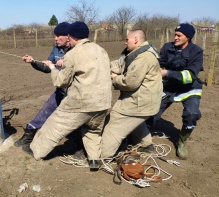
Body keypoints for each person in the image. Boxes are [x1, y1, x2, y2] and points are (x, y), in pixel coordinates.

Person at [22, 21, 112, 171]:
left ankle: (35, 150)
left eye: (67, 35)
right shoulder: (100, 50)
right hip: (103, 103)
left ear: (72, 36)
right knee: (93, 132)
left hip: (81, 102)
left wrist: (52, 67)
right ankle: (94, 160)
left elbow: (61, 82)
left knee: (54, 125)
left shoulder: (73, 54)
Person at [15, 22, 85, 158]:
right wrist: (33, 62)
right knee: (45, 111)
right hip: (61, 91)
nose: (56, 38)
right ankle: (29, 135)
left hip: (75, 94)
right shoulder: (56, 49)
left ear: (68, 37)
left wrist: (66, 63)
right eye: (55, 36)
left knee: (75, 120)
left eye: (59, 36)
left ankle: (80, 146)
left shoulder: (78, 50)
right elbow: (48, 67)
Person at [100, 29, 163, 159]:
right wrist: (99, 65)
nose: (124, 42)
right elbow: (121, 65)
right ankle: (145, 145)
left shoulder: (143, 58)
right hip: (146, 102)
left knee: (115, 121)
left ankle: (103, 154)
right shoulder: (138, 53)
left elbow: (129, 83)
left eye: (126, 39)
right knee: (134, 121)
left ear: (136, 39)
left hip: (139, 103)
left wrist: (114, 77)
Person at [147, 23, 204, 160]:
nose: (175, 37)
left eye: (179, 35)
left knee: (192, 113)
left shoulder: (196, 51)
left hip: (189, 88)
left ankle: (182, 141)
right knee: (151, 110)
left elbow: (189, 76)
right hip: (169, 86)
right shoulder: (168, 47)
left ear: (188, 37)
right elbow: (159, 63)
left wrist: (167, 73)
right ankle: (143, 135)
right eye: (175, 34)